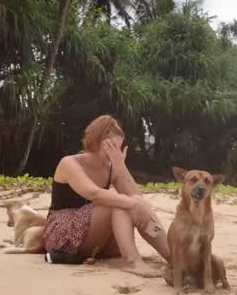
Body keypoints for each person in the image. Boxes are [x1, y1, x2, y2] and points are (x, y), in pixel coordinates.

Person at [43, 115, 167, 276]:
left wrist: (120, 167)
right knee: (117, 204)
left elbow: (137, 198)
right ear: (96, 141)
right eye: (111, 146)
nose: (115, 152)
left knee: (133, 202)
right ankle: (134, 262)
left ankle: (172, 256)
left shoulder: (111, 167)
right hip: (63, 234)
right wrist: (132, 203)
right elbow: (93, 193)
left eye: (118, 147)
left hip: (96, 234)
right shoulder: (69, 163)